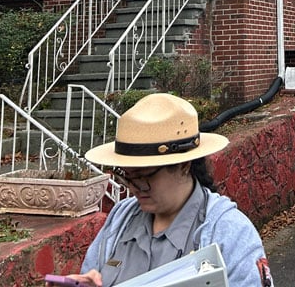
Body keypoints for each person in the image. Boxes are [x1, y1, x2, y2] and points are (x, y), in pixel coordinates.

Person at [46, 92, 274, 287]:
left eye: (145, 177)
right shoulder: (120, 219)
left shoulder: (229, 232)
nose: (135, 189)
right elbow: (92, 271)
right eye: (127, 176)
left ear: (184, 165)